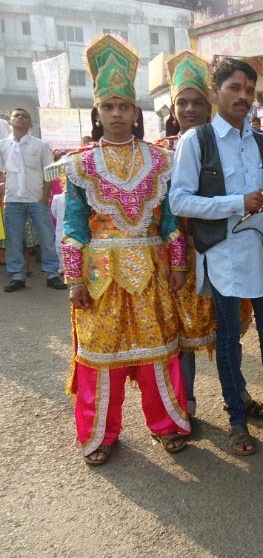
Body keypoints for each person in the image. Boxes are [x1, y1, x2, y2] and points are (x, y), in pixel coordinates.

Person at [58, 34, 190, 465]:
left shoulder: (160, 160)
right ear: (98, 112)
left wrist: (177, 266)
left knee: (158, 349)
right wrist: (73, 277)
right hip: (100, 276)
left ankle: (167, 425)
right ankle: (100, 434)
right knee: (102, 357)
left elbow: (170, 221)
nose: (117, 114)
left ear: (136, 112)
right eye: (108, 107)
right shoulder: (80, 165)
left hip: (151, 268)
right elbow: (73, 226)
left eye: (124, 107)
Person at [171, 57, 263, 455]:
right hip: (223, 256)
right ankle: (237, 420)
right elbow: (180, 200)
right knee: (229, 341)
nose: (243, 97)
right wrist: (235, 203)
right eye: (234, 89)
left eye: (249, 90)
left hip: (261, 253)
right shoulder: (197, 140)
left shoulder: (261, 141)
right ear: (216, 93)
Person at [155, 51, 262, 421]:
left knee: (228, 330)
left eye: (197, 101)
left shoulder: (225, 141)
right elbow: (167, 210)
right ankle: (184, 406)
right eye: (182, 102)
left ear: (211, 99)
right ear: (172, 107)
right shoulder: (157, 154)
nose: (190, 108)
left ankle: (240, 395)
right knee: (180, 333)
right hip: (176, 255)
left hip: (221, 249)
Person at [0, 107, 66, 292]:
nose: (20, 118)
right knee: (14, 240)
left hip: (37, 198)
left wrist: (45, 197)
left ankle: (52, 274)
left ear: (30, 123)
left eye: (24, 116)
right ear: (10, 121)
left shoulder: (41, 145)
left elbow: (49, 173)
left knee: (46, 237)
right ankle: (17, 276)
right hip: (12, 199)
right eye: (16, 115)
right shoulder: (3, 145)